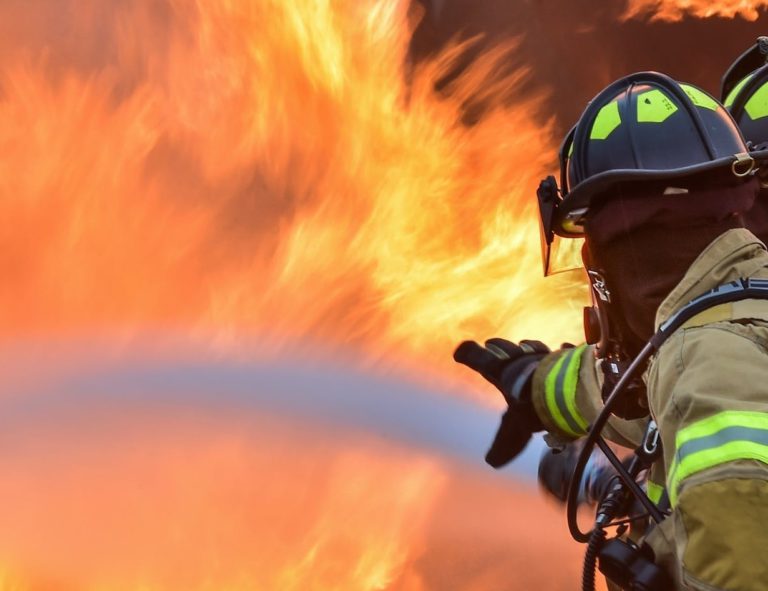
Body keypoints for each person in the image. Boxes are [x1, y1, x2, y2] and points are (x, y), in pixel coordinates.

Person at [455, 71, 768, 590]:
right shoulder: (727, 310)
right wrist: (536, 384)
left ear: (628, 246)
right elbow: (630, 385)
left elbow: (739, 566)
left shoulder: (708, 363)